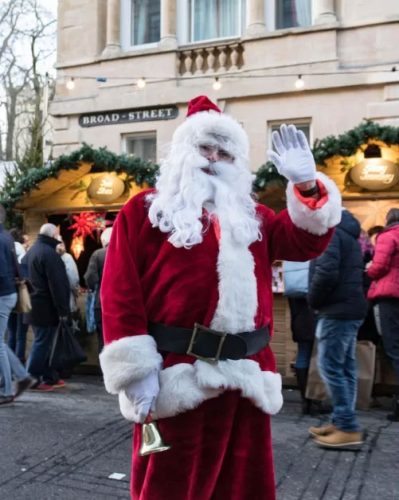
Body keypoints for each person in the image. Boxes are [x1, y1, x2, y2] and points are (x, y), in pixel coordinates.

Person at [99, 95, 341, 500]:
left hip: (246, 376)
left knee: (243, 486)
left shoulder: (254, 216)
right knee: (171, 485)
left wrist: (305, 185)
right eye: (204, 147)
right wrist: (136, 372)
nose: (212, 158)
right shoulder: (145, 211)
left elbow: (304, 241)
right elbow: (120, 293)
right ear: (182, 151)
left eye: (224, 151)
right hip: (176, 376)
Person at [308, 209, 368, 449]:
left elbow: (326, 272)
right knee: (345, 368)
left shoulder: (331, 234)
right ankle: (341, 421)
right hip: (350, 307)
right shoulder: (349, 235)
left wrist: (313, 300)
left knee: (330, 367)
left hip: (336, 309)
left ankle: (347, 426)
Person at [22, 223, 70, 391]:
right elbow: (57, 284)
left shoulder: (31, 252)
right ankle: (31, 378)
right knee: (43, 342)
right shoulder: (49, 254)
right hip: (46, 307)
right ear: (52, 235)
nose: (59, 237)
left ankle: (49, 376)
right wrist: (63, 309)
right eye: (58, 234)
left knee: (45, 342)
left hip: (32, 305)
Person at [367, 208, 399, 421]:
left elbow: (378, 267)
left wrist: (368, 269)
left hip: (390, 298)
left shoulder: (388, 236)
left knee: (394, 349)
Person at [0, 205, 34, 405]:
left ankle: (6, 391)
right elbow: (14, 268)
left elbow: (2, 272)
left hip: (2, 294)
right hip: (9, 293)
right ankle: (22, 376)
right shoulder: (7, 238)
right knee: (1, 343)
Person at [283, 260, 318, 415]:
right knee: (317, 356)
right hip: (314, 315)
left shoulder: (292, 265)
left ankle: (306, 401)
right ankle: (314, 399)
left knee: (303, 352)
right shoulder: (315, 262)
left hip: (299, 318)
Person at [84, 227, 113, 352]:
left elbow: (90, 278)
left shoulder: (98, 254)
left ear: (104, 240)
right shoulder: (127, 252)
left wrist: (90, 287)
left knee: (103, 340)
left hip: (102, 304)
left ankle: (105, 370)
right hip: (123, 304)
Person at [7, 228, 29, 364]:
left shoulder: (6, 250)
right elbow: (26, 277)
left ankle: (9, 363)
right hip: (21, 296)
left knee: (11, 333)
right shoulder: (22, 253)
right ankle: (19, 362)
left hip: (7, 295)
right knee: (21, 334)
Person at [56, 238, 80, 313]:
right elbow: (73, 279)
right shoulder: (67, 257)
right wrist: (76, 290)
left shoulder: (49, 257)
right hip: (67, 296)